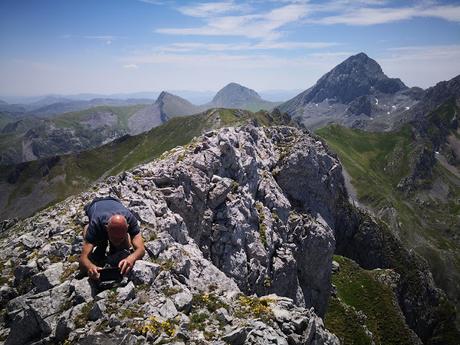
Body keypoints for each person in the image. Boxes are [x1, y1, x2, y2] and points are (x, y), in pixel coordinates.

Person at [79, 196, 145, 280]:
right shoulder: (96, 224)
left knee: (123, 248)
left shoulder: (130, 219)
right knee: (99, 243)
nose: (117, 241)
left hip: (114, 201)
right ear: (107, 228)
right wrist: (90, 267)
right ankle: (93, 233)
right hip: (95, 204)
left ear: (127, 227)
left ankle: (118, 240)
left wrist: (131, 258)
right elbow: (83, 258)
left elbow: (141, 249)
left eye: (120, 238)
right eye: (114, 238)